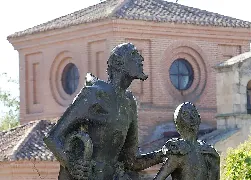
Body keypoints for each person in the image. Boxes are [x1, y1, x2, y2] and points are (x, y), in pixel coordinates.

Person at [44, 43, 166, 180]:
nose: (141, 59)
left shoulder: (129, 102)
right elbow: (53, 138)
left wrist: (164, 153)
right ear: (119, 64)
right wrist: (72, 164)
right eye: (134, 55)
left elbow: (131, 161)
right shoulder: (94, 94)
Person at [154, 102, 220, 180]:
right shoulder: (179, 151)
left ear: (199, 118)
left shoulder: (209, 152)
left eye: (194, 113)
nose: (192, 118)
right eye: (186, 115)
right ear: (179, 122)